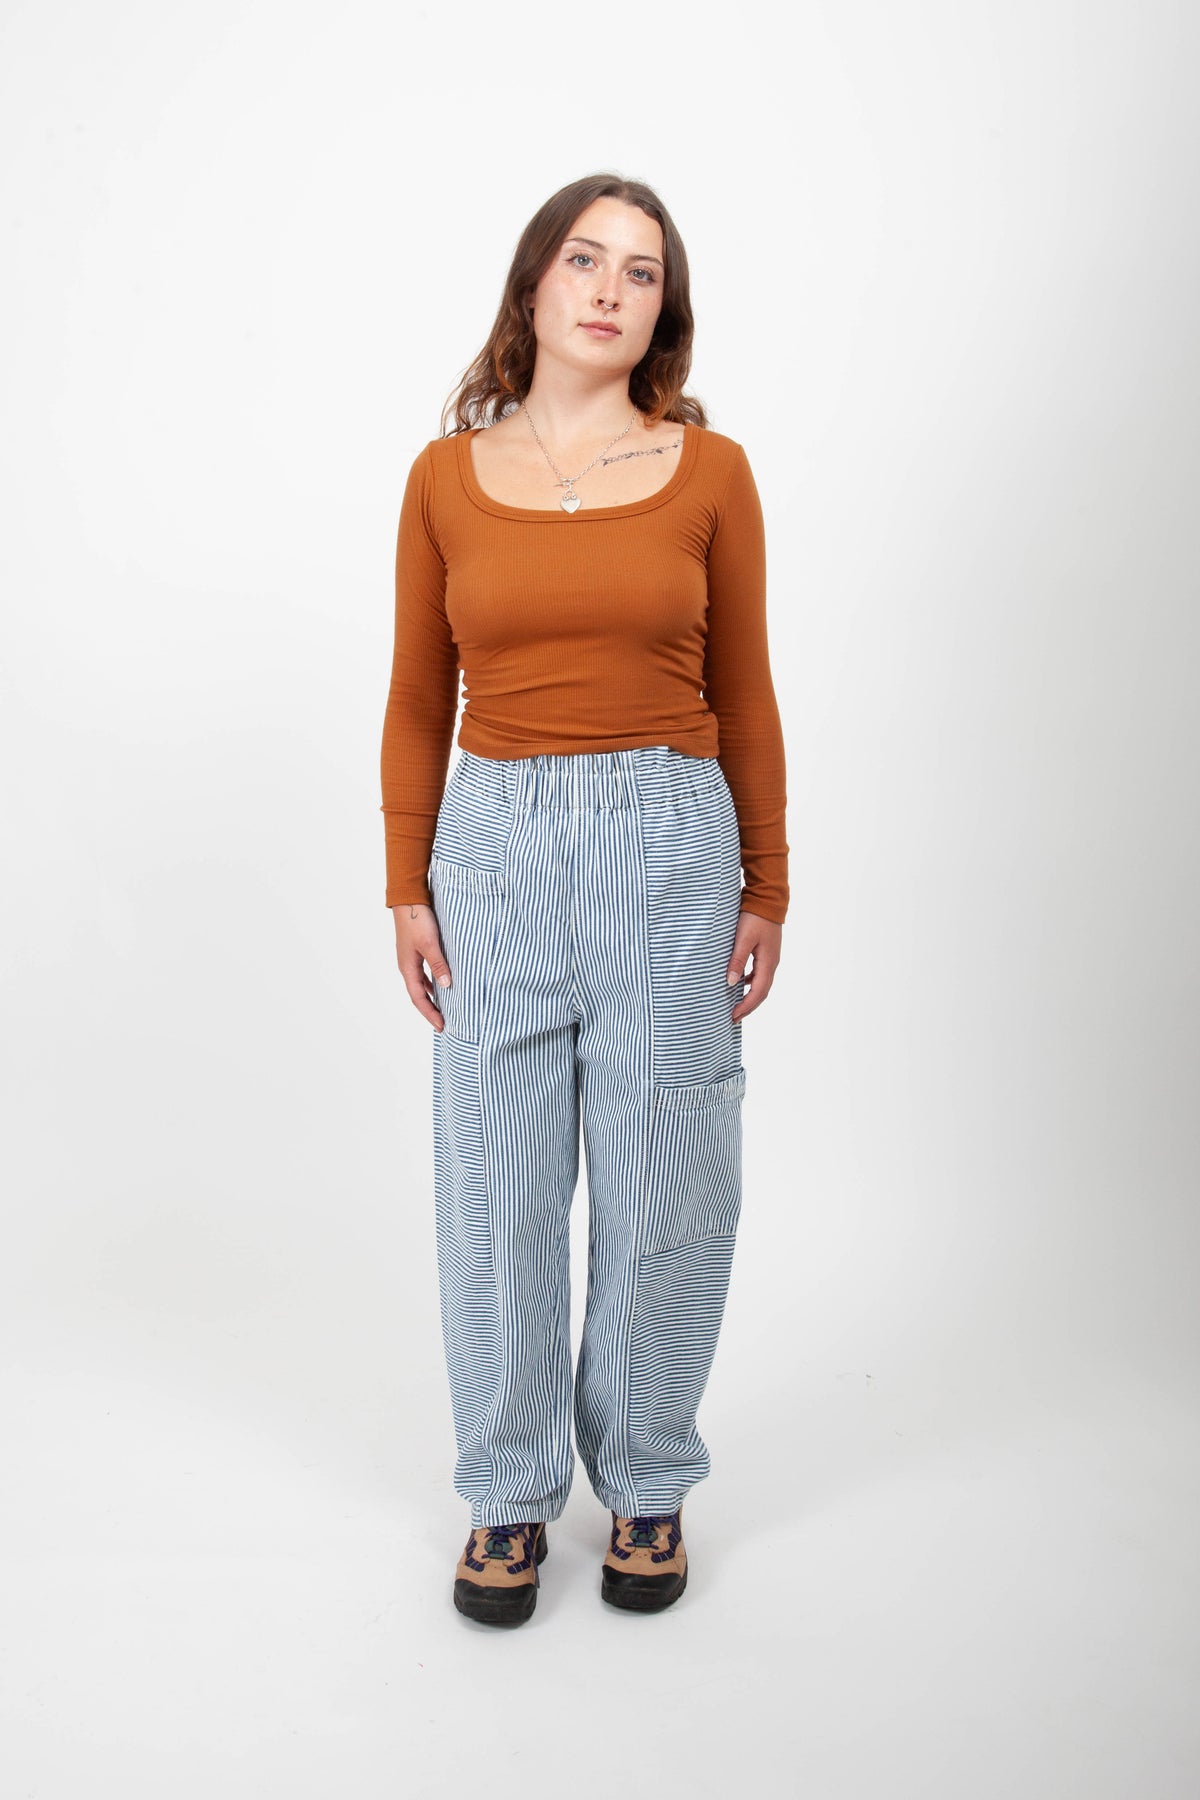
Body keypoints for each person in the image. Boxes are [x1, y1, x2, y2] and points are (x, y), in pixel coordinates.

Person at [379, 172, 788, 1628]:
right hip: (493, 843)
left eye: (643, 271)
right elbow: (417, 696)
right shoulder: (444, 479)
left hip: (672, 839)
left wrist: (768, 882)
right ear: (534, 283)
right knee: (494, 1186)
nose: (611, 288)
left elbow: (746, 688)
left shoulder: (710, 471)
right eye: (585, 259)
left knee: (668, 1171)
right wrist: (405, 882)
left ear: (664, 310)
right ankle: (505, 1491)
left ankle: (650, 1480)